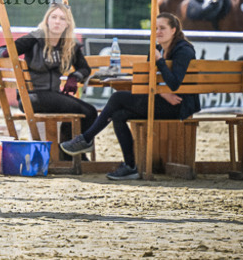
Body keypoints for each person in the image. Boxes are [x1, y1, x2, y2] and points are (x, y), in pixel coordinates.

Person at [59, 12, 200, 181]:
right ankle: (131, 166)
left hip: (180, 105)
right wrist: (162, 92)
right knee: (119, 115)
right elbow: (149, 80)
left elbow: (175, 83)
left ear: (174, 30)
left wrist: (160, 61)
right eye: (155, 29)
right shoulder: (156, 49)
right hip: (163, 100)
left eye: (162, 28)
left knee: (118, 98)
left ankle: (86, 139)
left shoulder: (183, 50)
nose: (158, 32)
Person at [0, 3, 97, 141]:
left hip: (53, 96)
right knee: (88, 112)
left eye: (62, 18)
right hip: (32, 97)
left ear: (67, 24)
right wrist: (8, 51)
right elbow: (0, 51)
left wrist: (74, 78)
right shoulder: (35, 38)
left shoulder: (69, 44)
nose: (57, 21)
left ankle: (66, 152)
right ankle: (68, 153)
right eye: (53, 17)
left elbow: (85, 69)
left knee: (90, 111)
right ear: (47, 20)